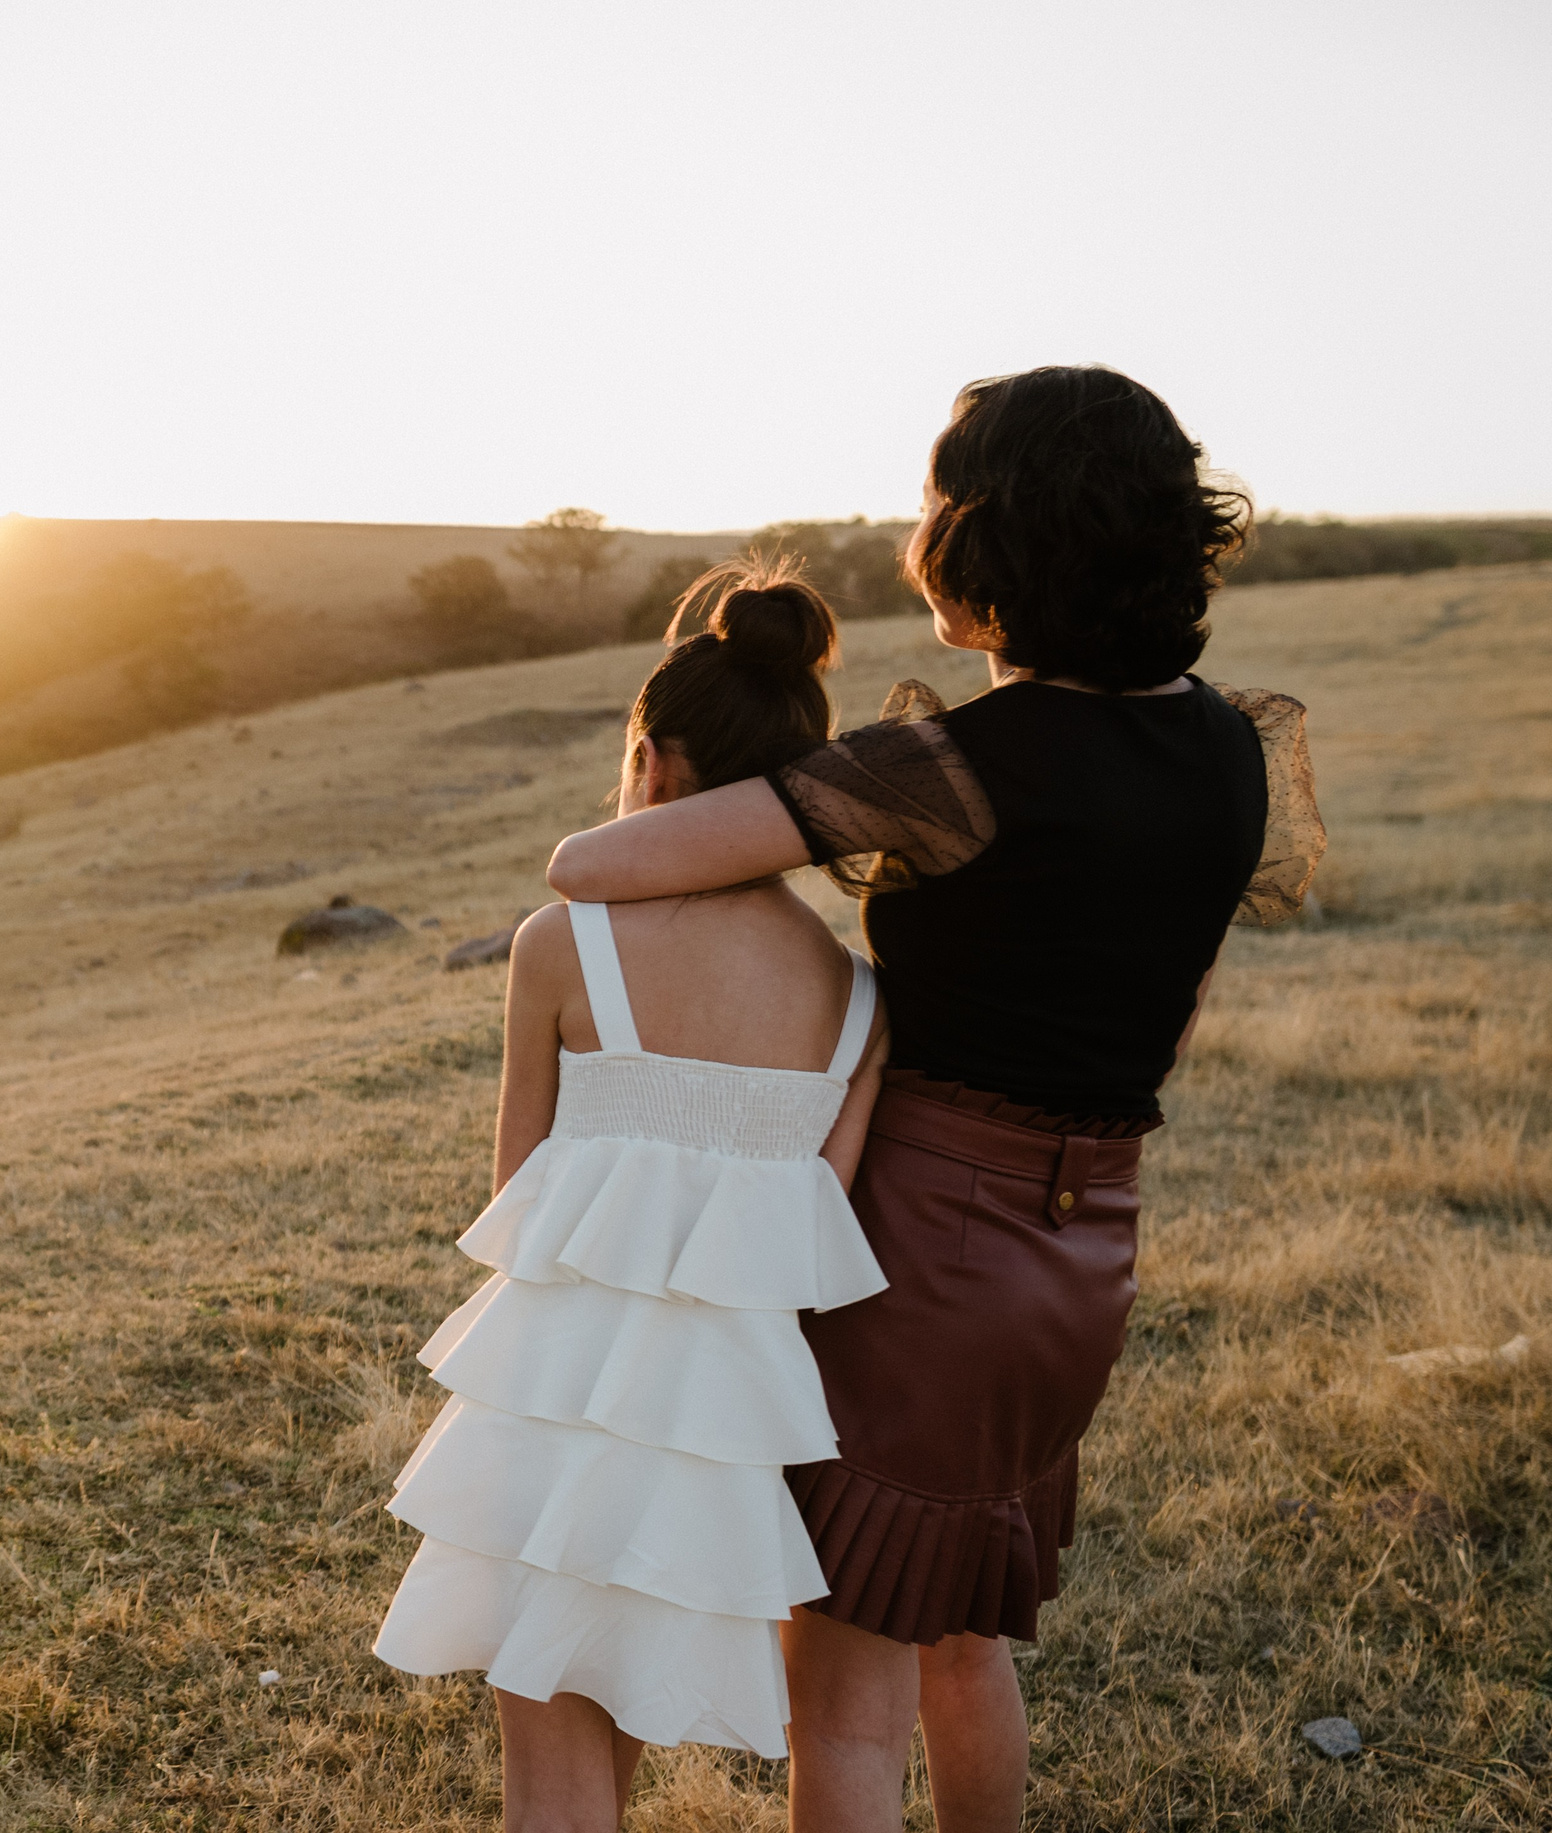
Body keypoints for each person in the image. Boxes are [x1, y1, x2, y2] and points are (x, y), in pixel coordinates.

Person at [545, 366, 1326, 1832]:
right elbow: (1173, 1005)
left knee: (840, 1700)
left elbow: (593, 867)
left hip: (925, 1248)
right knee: (963, 1638)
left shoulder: (957, 766)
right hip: (1088, 1244)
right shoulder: (1227, 746)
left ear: (990, 536)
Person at [375, 565, 892, 1832]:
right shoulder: (861, 1003)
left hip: (555, 1401)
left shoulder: (564, 942)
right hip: (720, 1438)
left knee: (549, 1761)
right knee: (608, 1729)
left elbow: (519, 1191)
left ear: (650, 763)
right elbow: (810, 1247)